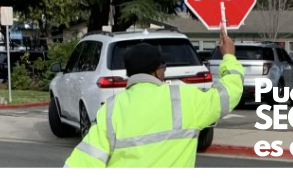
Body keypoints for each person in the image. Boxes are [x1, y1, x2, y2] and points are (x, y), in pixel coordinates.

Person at [64, 32, 243, 168]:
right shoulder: (184, 98)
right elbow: (229, 93)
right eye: (163, 67)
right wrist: (229, 56)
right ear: (157, 71)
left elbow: (83, 161)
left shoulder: (111, 110)